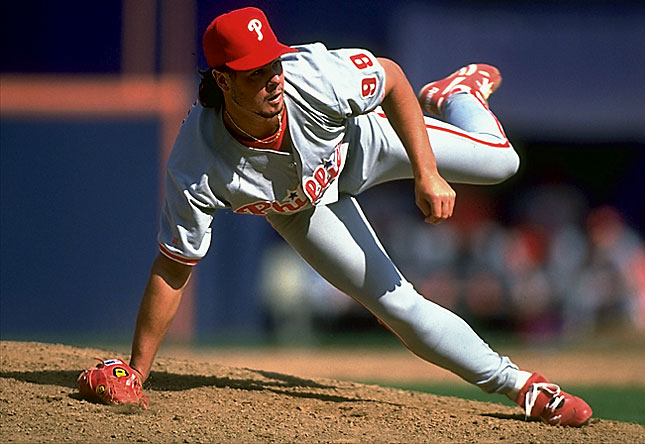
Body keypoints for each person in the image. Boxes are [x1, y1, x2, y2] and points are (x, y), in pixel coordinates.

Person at [128, 6, 592, 427]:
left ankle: (458, 95)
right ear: (223, 81)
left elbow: (391, 77)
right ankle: (525, 388)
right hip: (302, 210)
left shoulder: (314, 77)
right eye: (255, 72)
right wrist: (136, 372)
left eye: (273, 63)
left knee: (502, 163)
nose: (272, 79)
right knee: (397, 306)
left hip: (364, 143)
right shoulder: (195, 165)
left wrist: (426, 172)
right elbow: (173, 269)